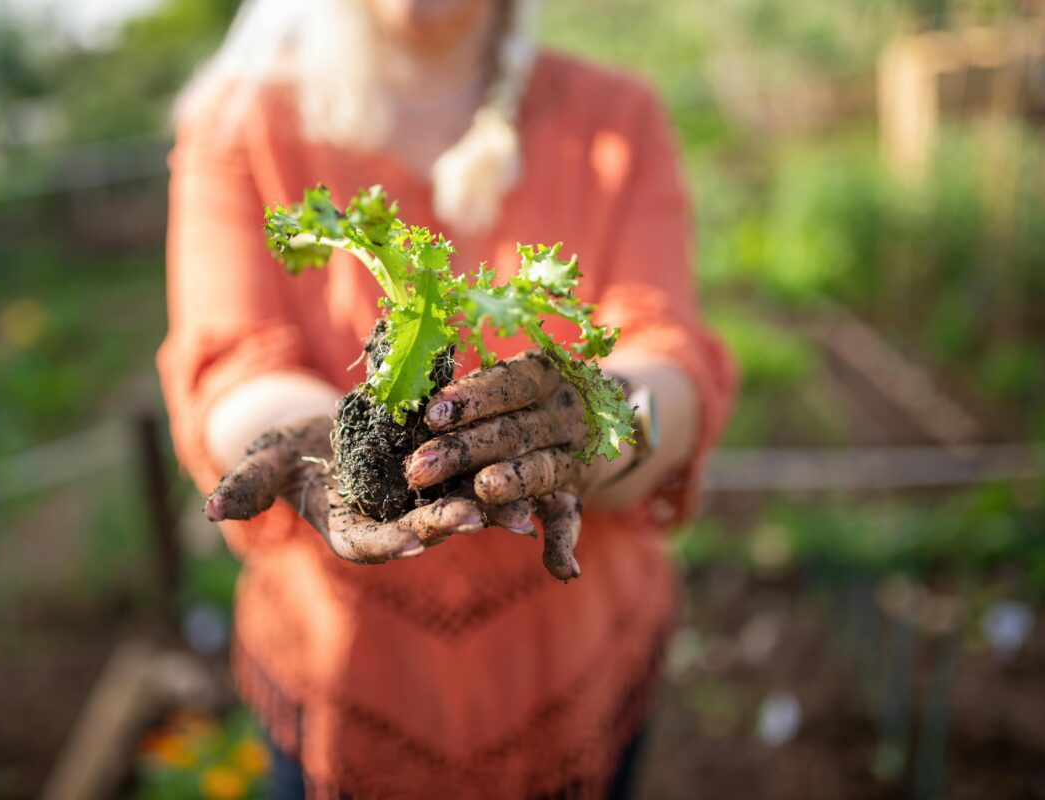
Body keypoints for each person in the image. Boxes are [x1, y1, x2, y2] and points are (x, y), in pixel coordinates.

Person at [157, 0, 737, 796]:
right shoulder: (240, 122)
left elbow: (664, 351)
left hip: (577, 665)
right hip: (344, 672)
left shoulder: (616, 120)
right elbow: (231, 363)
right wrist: (317, 440)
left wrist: (605, 419)